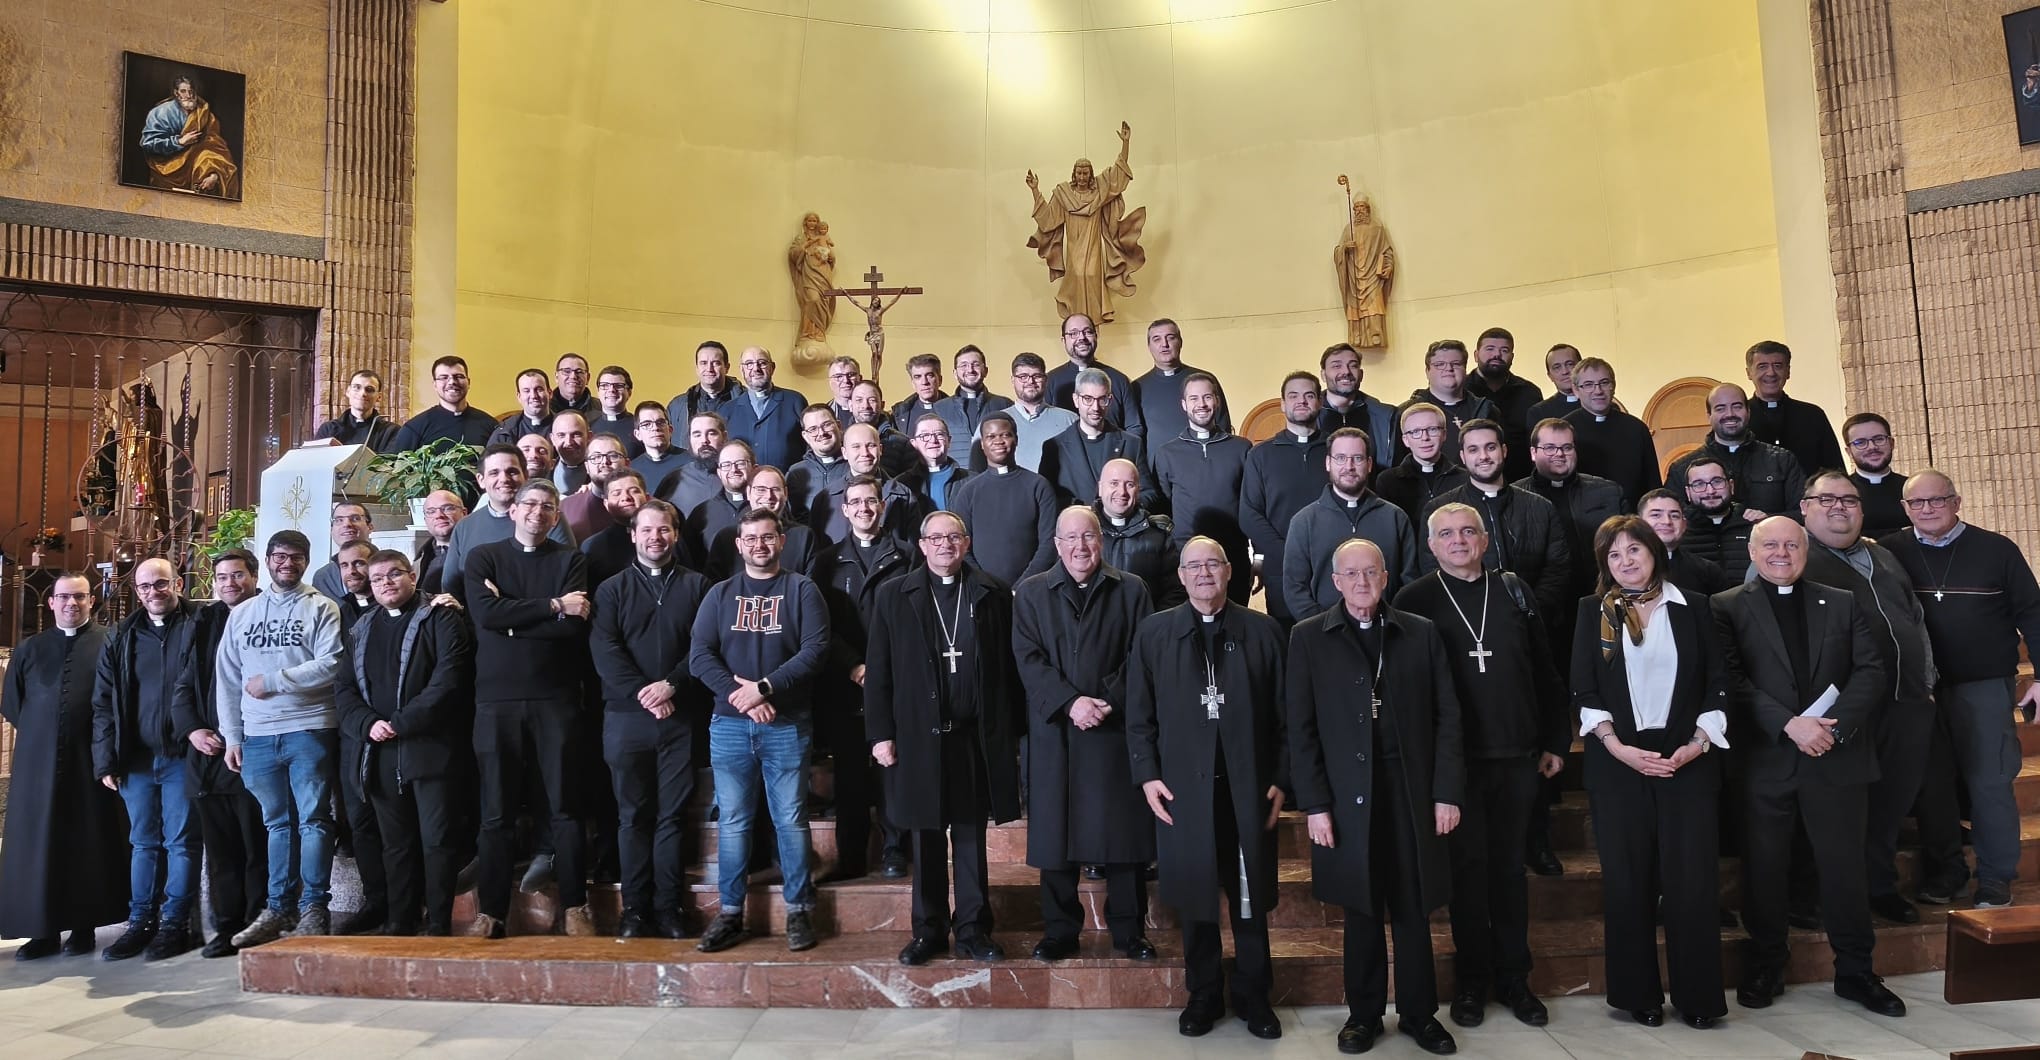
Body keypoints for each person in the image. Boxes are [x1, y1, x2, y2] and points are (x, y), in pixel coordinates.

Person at [1715, 517, 1904, 1017]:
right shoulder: (1727, 606)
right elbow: (1731, 680)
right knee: (1765, 869)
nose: (1782, 553)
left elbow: (1871, 669)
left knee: (1844, 870)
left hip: (1836, 757)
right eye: (1770, 545)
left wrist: (1833, 729)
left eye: (1792, 544)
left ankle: (1857, 972)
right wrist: (1789, 725)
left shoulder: (1840, 600)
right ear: (1753, 553)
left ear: (1806, 550)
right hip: (1767, 759)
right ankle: (1766, 964)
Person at [1288, 539, 1463, 1056]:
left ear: (1386, 577)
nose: (1362, 583)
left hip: (1410, 790)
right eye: (1351, 574)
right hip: (1345, 798)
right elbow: (1300, 730)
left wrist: (1446, 793)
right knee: (1361, 908)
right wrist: (1315, 805)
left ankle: (1419, 1015)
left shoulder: (1421, 633)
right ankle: (1361, 1015)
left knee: (1413, 906)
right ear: (1335, 581)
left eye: (1371, 573)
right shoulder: (1308, 638)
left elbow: (1448, 717)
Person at [1394, 505, 1567, 1029]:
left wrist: (1557, 738)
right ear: (1431, 545)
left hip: (1517, 756)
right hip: (1456, 767)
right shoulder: (1414, 599)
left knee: (1510, 873)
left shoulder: (1514, 591)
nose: (1459, 540)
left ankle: (1516, 978)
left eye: (1469, 531)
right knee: (1467, 877)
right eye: (1446, 534)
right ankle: (1471, 981)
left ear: (1486, 539)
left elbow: (1543, 667)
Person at [1569, 515, 1730, 1028]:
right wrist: (1617, 747)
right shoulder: (1593, 612)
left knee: (1692, 882)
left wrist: (1698, 743)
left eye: (1633, 550)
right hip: (1619, 760)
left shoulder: (1695, 607)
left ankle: (1699, 998)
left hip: (1687, 757)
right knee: (1628, 882)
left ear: (1654, 552)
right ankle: (1637, 995)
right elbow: (1583, 689)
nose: (1625, 562)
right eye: (1613, 555)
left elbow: (1718, 684)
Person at [1125, 537, 1288, 1039]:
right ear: (1180, 575)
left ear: (1230, 572)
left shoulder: (1263, 631)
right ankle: (1203, 994)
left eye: (1212, 565)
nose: (1203, 574)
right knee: (1196, 897)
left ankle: (1254, 995)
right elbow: (1139, 714)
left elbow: (1287, 717)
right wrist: (1147, 775)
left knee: (1248, 895)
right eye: (1193, 566)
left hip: (1248, 788)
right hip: (1182, 791)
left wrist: (1283, 779)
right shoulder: (1155, 633)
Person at [866, 511, 1022, 965]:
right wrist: (881, 735)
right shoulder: (895, 595)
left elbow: (1008, 672)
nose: (944, 545)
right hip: (918, 738)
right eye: (935, 538)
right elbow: (879, 673)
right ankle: (928, 931)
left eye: (953, 537)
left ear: (967, 543)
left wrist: (1010, 733)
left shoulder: (992, 594)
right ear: (922, 544)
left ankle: (973, 928)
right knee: (926, 837)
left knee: (971, 838)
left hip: (973, 737)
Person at [1882, 469, 2040, 909]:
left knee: (1990, 780)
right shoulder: (1891, 551)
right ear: (1904, 508)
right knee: (1933, 787)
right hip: (1918, 689)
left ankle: (1995, 879)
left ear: (1957, 501)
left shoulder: (1996, 549)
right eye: (1917, 503)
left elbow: (2033, 613)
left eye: (1937, 500)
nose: (1927, 509)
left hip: (1983, 685)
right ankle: (1947, 873)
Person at [1014, 507, 1158, 964]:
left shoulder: (1132, 589)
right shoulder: (1032, 594)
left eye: (1089, 537)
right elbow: (1027, 658)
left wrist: (1107, 700)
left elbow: (1142, 654)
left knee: (1124, 839)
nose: (1080, 547)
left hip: (1114, 731)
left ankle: (1129, 930)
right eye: (1070, 538)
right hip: (1056, 729)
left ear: (1102, 541)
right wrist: (1070, 702)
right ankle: (1060, 930)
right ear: (1056, 545)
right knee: (1056, 837)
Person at [1799, 473, 1939, 924]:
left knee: (1891, 803)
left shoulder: (1884, 555)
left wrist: (1928, 679)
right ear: (1805, 507)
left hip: (1906, 700)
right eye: (1827, 499)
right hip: (1841, 712)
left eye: (1849, 499)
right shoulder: (1792, 556)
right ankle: (1829, 896)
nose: (1839, 507)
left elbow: (1914, 619)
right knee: (1840, 812)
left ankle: (1880, 886)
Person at [689, 508, 831, 954]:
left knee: (790, 819)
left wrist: (766, 689)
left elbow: (816, 650)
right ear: (738, 543)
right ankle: (730, 914)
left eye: (767, 538)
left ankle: (798, 911)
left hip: (786, 724)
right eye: (750, 538)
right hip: (729, 725)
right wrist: (743, 696)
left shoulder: (801, 589)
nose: (759, 545)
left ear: (781, 541)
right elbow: (700, 657)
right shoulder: (720, 594)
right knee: (733, 822)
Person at [464, 480, 597, 938]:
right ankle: (492, 911)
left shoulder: (570, 560)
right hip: (495, 701)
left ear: (556, 516)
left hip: (555, 698)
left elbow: (572, 632)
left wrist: (513, 616)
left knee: (564, 807)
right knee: (495, 813)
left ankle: (577, 906)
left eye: (547, 507)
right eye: (530, 505)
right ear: (513, 511)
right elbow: (486, 617)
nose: (538, 513)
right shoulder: (483, 556)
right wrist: (553, 606)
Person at [216, 530, 346, 947]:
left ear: (307, 561)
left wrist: (274, 680)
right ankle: (278, 908)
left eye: (295, 557)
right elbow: (228, 678)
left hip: (308, 727)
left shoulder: (322, 607)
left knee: (313, 821)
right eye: (279, 556)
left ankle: (313, 908)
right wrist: (232, 736)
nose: (286, 563)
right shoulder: (243, 613)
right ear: (267, 561)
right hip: (256, 736)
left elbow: (333, 663)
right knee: (276, 824)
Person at [333, 550, 473, 937]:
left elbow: (449, 680)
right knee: (395, 845)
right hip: (379, 753)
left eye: (395, 574)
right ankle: (401, 918)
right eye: (378, 579)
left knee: (438, 841)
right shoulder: (363, 629)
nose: (386, 583)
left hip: (431, 750)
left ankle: (439, 920)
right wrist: (369, 725)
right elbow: (344, 688)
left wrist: (399, 723)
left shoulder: (440, 618)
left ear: (413, 576)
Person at [591, 501, 711, 939]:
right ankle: (634, 911)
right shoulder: (611, 589)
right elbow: (605, 652)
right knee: (632, 816)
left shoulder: (699, 587)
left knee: (672, 817)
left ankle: (669, 909)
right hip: (626, 720)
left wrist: (671, 686)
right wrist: (646, 694)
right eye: (647, 531)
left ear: (675, 535)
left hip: (679, 717)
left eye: (663, 530)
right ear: (633, 535)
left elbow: (703, 647)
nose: (655, 538)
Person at [0, 572, 128, 960]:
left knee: (88, 841)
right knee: (39, 847)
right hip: (36, 767)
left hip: (90, 762)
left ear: (91, 601)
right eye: (64, 597)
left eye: (80, 597)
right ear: (52, 602)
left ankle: (84, 928)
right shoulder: (30, 649)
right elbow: (12, 702)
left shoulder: (111, 641)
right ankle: (42, 931)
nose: (72, 604)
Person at [90, 557, 204, 961]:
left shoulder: (199, 625)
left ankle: (174, 925)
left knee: (182, 843)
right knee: (143, 843)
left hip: (181, 756)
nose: (152, 593)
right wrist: (105, 760)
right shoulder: (122, 635)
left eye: (160, 584)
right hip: (135, 758)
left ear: (177, 582)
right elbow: (103, 702)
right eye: (143, 587)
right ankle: (140, 923)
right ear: (135, 591)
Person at [812, 476, 917, 880]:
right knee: (852, 772)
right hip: (845, 682)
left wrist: (885, 669)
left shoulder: (908, 557)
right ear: (845, 509)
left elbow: (915, 620)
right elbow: (821, 625)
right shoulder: (826, 561)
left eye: (871, 501)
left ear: (883, 506)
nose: (864, 509)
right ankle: (851, 855)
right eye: (855, 502)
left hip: (895, 683)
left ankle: (895, 849)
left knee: (893, 770)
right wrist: (853, 665)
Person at [171, 549, 269, 958]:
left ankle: (256, 921)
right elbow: (184, 685)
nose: (230, 583)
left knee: (255, 845)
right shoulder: (204, 621)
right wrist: (193, 730)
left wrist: (241, 736)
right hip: (208, 755)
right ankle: (226, 926)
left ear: (254, 576)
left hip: (254, 749)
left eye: (238, 575)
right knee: (222, 849)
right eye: (223, 577)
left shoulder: (268, 613)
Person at [1421, 419, 1573, 622]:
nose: (1483, 456)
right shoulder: (1439, 510)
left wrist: (1529, 611)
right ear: (1463, 457)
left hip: (1533, 621)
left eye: (1490, 447)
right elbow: (1433, 568)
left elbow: (1557, 569)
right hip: (1467, 622)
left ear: (1504, 450)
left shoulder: (1541, 507)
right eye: (1474, 450)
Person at [1282, 427, 1419, 621]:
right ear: (1328, 463)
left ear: (1369, 464)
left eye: (1358, 458)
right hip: (1326, 632)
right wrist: (1324, 627)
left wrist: (1393, 622)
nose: (1349, 466)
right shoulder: (1304, 522)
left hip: (1387, 630)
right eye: (1340, 458)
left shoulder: (1395, 517)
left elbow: (1409, 581)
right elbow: (1295, 587)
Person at [1025, 119, 1146, 325]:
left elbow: (1117, 175)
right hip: (1074, 247)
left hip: (1092, 245)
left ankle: (1093, 321)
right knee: (1077, 277)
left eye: (1086, 173)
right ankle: (1079, 323)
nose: (1082, 176)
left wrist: (1125, 144)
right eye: (1079, 173)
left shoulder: (1099, 190)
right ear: (1074, 174)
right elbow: (1047, 219)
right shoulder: (1063, 193)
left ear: (1090, 174)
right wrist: (1035, 190)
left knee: (1090, 275)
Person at [1152, 371, 1253, 603]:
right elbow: (1165, 502)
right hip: (1186, 558)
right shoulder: (1167, 453)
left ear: (1216, 401)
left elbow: (1252, 503)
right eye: (1194, 399)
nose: (1201, 404)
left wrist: (1258, 557)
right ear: (1184, 404)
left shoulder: (1242, 448)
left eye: (1207, 397)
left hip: (1233, 556)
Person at [1240, 372, 1331, 629]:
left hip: (1331, 563)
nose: (1301, 401)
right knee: (1286, 640)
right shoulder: (1260, 455)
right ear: (1282, 404)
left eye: (1309, 395)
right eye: (1293, 396)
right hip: (1281, 566)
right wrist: (1286, 554)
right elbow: (1249, 513)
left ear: (1320, 402)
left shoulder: (1337, 449)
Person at [441, 445, 576, 606]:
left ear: (525, 476)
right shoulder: (464, 526)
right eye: (494, 473)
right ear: (481, 480)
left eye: (512, 471)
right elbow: (451, 586)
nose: (504, 479)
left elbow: (564, 576)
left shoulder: (546, 518)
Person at [1517, 417, 1623, 612]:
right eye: (1549, 448)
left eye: (1567, 447)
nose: (1559, 454)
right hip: (1543, 607)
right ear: (1533, 452)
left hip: (1600, 598)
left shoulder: (1608, 492)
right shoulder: (1515, 498)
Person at [949, 412, 1058, 587]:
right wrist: (985, 584)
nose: (998, 441)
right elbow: (961, 546)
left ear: (1016, 439)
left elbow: (1049, 543)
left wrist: (1024, 585)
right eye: (990, 436)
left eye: (1005, 435)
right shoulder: (968, 492)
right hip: (984, 591)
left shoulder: (1038, 486)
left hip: (1032, 589)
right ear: (982, 445)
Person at [1666, 384, 1805, 519]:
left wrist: (1768, 519)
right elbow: (1672, 515)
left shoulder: (1782, 460)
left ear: (1748, 411)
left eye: (1737, 406)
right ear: (1709, 415)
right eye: (1720, 408)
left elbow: (1804, 512)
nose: (1730, 414)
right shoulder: (1682, 468)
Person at [1038, 368, 1154, 509]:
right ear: (1076, 400)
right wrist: (1077, 508)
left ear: (1110, 400)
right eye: (1088, 399)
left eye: (1102, 399)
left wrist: (1121, 508)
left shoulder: (1131, 443)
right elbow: (1046, 500)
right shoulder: (1054, 447)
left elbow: (1149, 494)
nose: (1095, 407)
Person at [1562, 357, 1661, 509]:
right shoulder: (1565, 430)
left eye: (1604, 382)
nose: (1598, 391)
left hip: (1632, 519)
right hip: (1582, 521)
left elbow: (1653, 484)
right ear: (1576, 390)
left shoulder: (1636, 428)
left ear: (1613, 386)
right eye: (1588, 385)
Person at [1743, 340, 1844, 476]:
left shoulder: (1812, 415)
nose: (1771, 373)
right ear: (1749, 373)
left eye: (1778, 366)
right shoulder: (1739, 417)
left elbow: (1834, 469)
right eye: (1762, 366)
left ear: (1788, 371)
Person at [702, 465, 817, 581]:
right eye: (761, 490)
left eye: (775, 489)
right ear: (748, 493)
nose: (768, 496)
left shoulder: (804, 536)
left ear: (785, 494)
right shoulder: (726, 537)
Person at [815, 423, 921, 547]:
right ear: (844, 452)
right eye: (856, 447)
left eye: (871, 445)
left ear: (880, 449)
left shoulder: (903, 496)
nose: (865, 453)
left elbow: (914, 552)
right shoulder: (825, 499)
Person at [1097, 459, 1183, 609]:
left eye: (1129, 484)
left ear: (1138, 491)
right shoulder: (1081, 532)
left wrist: (1152, 624)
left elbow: (1175, 590)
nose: (1122, 492)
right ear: (1100, 488)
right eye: (1114, 483)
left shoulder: (1159, 536)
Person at [138, 73, 239, 196]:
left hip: (196, 172)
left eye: (191, 91)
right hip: (166, 173)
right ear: (176, 93)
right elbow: (148, 144)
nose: (189, 95)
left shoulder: (204, 114)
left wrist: (215, 175)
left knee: (205, 156)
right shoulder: (160, 113)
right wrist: (179, 142)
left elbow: (215, 147)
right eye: (184, 91)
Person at [1132, 319, 1228, 442]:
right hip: (1155, 461)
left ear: (1180, 342)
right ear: (1149, 346)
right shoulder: (1137, 387)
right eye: (1157, 339)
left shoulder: (1204, 380)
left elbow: (1223, 426)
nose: (1164, 344)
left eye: (1171, 338)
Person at [1465, 327, 1541, 481]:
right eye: (1490, 349)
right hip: (1470, 480)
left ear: (1512, 357)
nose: (1496, 355)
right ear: (1476, 355)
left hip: (1522, 479)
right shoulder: (1462, 390)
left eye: (1504, 350)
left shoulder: (1529, 392)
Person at [1375, 401, 1470, 525]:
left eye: (1432, 429)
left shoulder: (1464, 478)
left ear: (1444, 434)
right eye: (1416, 432)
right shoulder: (1388, 481)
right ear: (1405, 440)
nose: (1425, 437)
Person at [1398, 339, 1497, 458]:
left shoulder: (1487, 410)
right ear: (1427, 371)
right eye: (1440, 364)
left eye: (1456, 364)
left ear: (1465, 369)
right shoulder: (1406, 412)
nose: (1449, 369)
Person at [1045, 314, 1142, 435]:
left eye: (1088, 332)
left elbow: (1134, 427)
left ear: (1096, 336)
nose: (1082, 337)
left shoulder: (1119, 379)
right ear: (1063, 340)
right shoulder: (1050, 381)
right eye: (1073, 333)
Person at [721, 346, 808, 472]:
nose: (756, 369)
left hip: (788, 486)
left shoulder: (795, 401)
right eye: (749, 364)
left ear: (772, 367)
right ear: (742, 370)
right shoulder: (727, 410)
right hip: (745, 488)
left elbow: (810, 446)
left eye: (762, 363)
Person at [1316, 343, 1398, 468]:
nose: (1346, 371)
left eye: (1353, 365)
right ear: (1323, 375)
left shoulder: (1386, 416)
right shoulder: (1310, 415)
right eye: (1337, 366)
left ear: (1361, 374)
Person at [390, 356, 497, 452]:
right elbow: (398, 470)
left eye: (459, 376)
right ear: (435, 385)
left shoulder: (490, 425)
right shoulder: (414, 427)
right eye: (444, 377)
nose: (452, 382)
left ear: (468, 382)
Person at [1638, 489, 1732, 595]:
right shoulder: (1625, 568)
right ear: (1639, 522)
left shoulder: (1708, 572)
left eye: (1674, 516)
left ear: (1684, 524)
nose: (1667, 521)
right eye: (1656, 515)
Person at [1678, 458, 1757, 582]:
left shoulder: (1753, 526)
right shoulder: (1679, 532)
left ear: (1731, 486)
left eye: (1717, 481)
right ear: (1688, 492)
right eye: (1699, 484)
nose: (1710, 491)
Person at [932, 346, 1012, 465]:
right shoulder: (939, 408)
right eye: (963, 365)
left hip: (995, 477)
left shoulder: (1004, 405)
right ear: (955, 373)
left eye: (976, 364)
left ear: (985, 371)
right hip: (957, 478)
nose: (970, 370)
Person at [1000, 352, 1078, 472]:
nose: (1030, 381)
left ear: (1045, 380)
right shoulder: (996, 422)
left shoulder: (1070, 420)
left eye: (1037, 376)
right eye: (1023, 376)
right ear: (1012, 380)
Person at [685, 440, 757, 566]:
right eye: (726, 465)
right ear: (719, 472)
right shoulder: (702, 512)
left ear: (754, 467)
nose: (734, 470)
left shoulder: (767, 507)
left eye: (740, 463)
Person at [580, 469, 651, 587]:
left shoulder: (665, 538)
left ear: (647, 498)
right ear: (606, 504)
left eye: (634, 491)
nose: (626, 497)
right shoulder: (592, 547)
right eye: (617, 493)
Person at [1843, 413, 1909, 540]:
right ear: (1849, 451)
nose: (1872, 447)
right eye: (1860, 442)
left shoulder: (1912, 488)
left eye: (1879, 439)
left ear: (1891, 443)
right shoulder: (1840, 493)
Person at [786, 404, 850, 534]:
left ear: (839, 426)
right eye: (813, 429)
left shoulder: (855, 465)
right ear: (805, 436)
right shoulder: (795, 474)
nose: (821, 433)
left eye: (826, 425)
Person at [898, 414, 973, 513]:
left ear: (949, 441)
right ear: (914, 443)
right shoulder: (901, 485)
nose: (933, 440)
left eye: (939, 434)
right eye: (924, 435)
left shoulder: (972, 481)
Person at [562, 433, 629, 541]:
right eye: (596, 457)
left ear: (627, 463)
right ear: (587, 466)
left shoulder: (642, 504)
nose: (604, 462)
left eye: (613, 455)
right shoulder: (565, 507)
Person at [314, 369, 400, 450]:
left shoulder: (391, 431)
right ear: (348, 392)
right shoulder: (328, 429)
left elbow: (387, 464)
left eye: (369, 389)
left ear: (379, 397)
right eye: (357, 387)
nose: (363, 393)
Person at [667, 340, 741, 428]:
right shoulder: (677, 406)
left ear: (727, 367)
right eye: (703, 363)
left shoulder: (747, 402)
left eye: (716, 363)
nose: (709, 369)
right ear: (697, 368)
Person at [629, 401, 694, 501]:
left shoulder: (691, 461)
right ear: (638, 434)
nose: (655, 428)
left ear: (670, 429)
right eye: (647, 424)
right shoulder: (632, 470)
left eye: (661, 422)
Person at [668, 413, 730, 515]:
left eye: (711, 433)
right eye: (697, 435)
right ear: (690, 440)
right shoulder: (675, 480)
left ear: (725, 437)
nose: (704, 441)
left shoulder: (738, 474)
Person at [312, 501, 373, 602]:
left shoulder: (387, 566)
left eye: (355, 518)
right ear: (331, 530)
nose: (347, 524)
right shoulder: (323, 577)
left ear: (370, 527)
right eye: (339, 520)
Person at [415, 490, 467, 595]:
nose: (439, 515)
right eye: (431, 511)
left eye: (447, 508)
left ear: (464, 513)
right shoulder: (421, 557)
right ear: (425, 519)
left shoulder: (478, 551)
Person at [489, 368, 556, 448]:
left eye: (539, 389)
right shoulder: (505, 432)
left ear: (550, 393)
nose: (534, 396)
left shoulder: (566, 426)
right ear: (519, 396)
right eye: (526, 391)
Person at [890, 353, 951, 436]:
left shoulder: (955, 410)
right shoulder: (900, 413)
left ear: (940, 380)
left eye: (929, 375)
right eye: (918, 377)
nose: (924, 382)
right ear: (912, 383)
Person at [1524, 343, 1582, 428]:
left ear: (1581, 367)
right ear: (1550, 376)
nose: (1565, 371)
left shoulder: (1598, 404)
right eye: (1557, 367)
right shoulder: (1538, 412)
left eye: (1570, 364)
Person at [590, 365, 644, 457]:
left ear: (629, 392)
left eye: (618, 386)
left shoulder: (640, 426)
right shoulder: (588, 427)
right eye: (605, 386)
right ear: (598, 391)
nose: (611, 390)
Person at [550, 411, 593, 494]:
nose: (569, 442)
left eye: (576, 435)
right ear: (552, 439)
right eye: (561, 435)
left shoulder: (601, 473)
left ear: (589, 437)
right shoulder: (545, 473)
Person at [825, 355, 862, 425]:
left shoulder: (871, 410)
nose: (846, 380)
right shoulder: (824, 414)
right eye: (838, 376)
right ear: (830, 382)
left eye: (850, 375)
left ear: (860, 378)